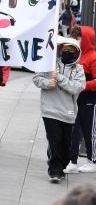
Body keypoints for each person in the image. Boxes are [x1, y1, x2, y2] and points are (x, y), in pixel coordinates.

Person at [33, 37, 85, 183]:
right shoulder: (49, 64)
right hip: (49, 110)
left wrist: (60, 79)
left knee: (65, 143)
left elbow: (77, 87)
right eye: (65, 49)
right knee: (54, 140)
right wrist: (47, 82)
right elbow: (37, 78)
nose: (67, 52)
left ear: (76, 53)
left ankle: (61, 166)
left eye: (71, 50)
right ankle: (54, 171)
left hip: (68, 112)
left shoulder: (79, 70)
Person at [66, 26, 96, 173]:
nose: (76, 40)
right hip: (79, 97)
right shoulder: (81, 56)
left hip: (90, 99)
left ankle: (92, 160)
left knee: (89, 131)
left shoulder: (93, 57)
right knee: (75, 129)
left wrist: (82, 85)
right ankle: (72, 160)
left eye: (78, 38)